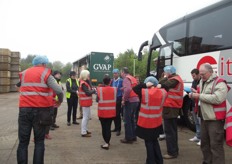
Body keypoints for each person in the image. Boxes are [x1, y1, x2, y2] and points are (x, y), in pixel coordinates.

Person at [17, 55, 63, 164]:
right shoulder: (46, 73)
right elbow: (58, 90)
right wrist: (59, 101)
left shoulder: (24, 73)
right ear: (43, 64)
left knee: (23, 142)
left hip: (24, 110)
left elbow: (17, 85)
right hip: (41, 111)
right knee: (39, 142)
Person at [189, 63, 229, 164]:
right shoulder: (203, 81)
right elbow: (201, 92)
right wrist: (195, 93)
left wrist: (198, 95)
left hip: (214, 119)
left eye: (203, 74)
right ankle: (207, 161)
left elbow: (218, 98)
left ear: (210, 72)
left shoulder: (220, 83)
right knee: (205, 144)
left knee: (216, 145)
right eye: (200, 74)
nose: (201, 76)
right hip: (204, 117)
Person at [133, 76, 167, 164]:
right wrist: (160, 85)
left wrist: (144, 84)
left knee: (149, 143)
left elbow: (135, 88)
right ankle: (159, 161)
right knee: (155, 142)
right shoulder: (162, 92)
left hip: (146, 123)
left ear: (148, 83)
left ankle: (151, 161)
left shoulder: (144, 92)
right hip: (157, 122)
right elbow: (167, 87)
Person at [157, 65, 183, 159]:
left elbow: (162, 84)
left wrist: (164, 78)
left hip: (171, 107)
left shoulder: (174, 79)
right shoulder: (175, 78)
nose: (164, 73)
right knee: (172, 130)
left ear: (169, 72)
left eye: (165, 72)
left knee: (170, 131)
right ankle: (174, 150)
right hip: (171, 107)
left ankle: (172, 152)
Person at [97, 74, 117, 150]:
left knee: (104, 128)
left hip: (102, 113)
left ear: (103, 81)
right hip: (111, 112)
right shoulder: (114, 89)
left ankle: (106, 143)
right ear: (110, 81)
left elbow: (97, 99)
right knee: (108, 128)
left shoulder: (100, 89)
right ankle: (107, 142)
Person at [120, 67, 139, 143]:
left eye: (121, 73)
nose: (120, 74)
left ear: (123, 72)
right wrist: (123, 88)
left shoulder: (126, 79)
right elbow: (132, 88)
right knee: (132, 119)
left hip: (130, 101)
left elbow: (128, 89)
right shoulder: (132, 78)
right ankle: (133, 136)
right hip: (135, 100)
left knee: (127, 120)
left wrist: (124, 100)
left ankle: (128, 138)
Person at [79, 70, 96, 137]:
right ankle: (83, 132)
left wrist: (88, 81)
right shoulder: (83, 83)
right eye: (88, 75)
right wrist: (94, 90)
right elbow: (88, 92)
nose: (89, 76)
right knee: (85, 117)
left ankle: (85, 130)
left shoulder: (85, 82)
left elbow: (90, 88)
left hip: (86, 102)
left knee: (87, 117)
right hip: (85, 102)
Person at [188, 68, 201, 146]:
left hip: (199, 104)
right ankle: (198, 136)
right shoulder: (194, 82)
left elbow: (201, 93)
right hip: (194, 103)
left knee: (200, 122)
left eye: (194, 76)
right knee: (196, 122)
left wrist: (195, 91)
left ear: (198, 74)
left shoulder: (202, 82)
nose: (193, 77)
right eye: (192, 76)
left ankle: (202, 138)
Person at [111, 68, 123, 136]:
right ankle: (115, 127)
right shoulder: (112, 81)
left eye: (116, 73)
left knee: (118, 114)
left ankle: (119, 129)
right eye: (114, 73)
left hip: (118, 98)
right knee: (114, 114)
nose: (114, 74)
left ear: (118, 74)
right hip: (113, 99)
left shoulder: (121, 80)